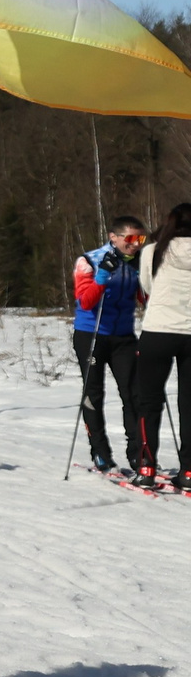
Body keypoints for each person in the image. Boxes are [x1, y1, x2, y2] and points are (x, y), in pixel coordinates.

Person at [74, 217, 147, 476]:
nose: (135, 245)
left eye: (141, 239)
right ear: (113, 237)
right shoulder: (89, 260)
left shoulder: (136, 262)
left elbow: (145, 298)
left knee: (134, 393)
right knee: (94, 395)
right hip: (92, 335)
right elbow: (85, 302)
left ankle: (139, 455)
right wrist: (102, 277)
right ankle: (100, 453)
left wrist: (147, 275)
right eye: (130, 239)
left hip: (124, 337)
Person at [128, 203, 191, 492]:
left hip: (159, 331)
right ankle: (189, 471)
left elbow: (147, 286)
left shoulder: (153, 250)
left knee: (149, 402)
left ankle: (146, 467)